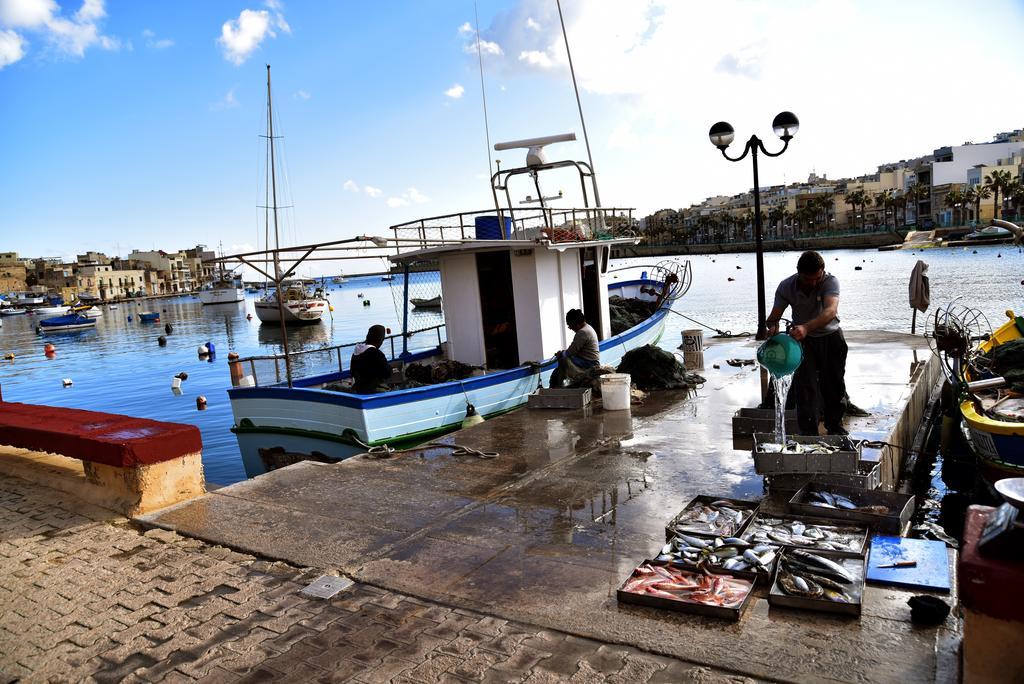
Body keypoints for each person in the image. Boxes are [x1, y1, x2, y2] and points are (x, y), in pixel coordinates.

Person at [765, 251, 848, 436]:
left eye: (816, 278)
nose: (812, 283)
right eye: (807, 279)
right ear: (798, 273)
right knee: (805, 387)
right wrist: (771, 327)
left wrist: (806, 327)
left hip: (831, 338)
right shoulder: (786, 286)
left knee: (834, 384)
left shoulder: (830, 282)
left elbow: (830, 312)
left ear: (822, 272)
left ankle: (834, 426)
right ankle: (809, 433)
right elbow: (773, 317)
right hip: (803, 343)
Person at [550, 309, 600, 388]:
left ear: (576, 324)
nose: (570, 328)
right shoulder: (588, 327)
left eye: (570, 325)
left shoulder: (583, 332)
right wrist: (564, 352)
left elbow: (570, 352)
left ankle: (561, 386)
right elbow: (573, 350)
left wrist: (561, 354)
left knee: (563, 359)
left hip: (588, 363)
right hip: (587, 360)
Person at [350, 324, 392, 394]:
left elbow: (352, 372)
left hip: (357, 388)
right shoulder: (376, 354)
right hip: (371, 390)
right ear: (380, 339)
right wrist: (390, 368)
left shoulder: (357, 351)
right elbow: (387, 373)